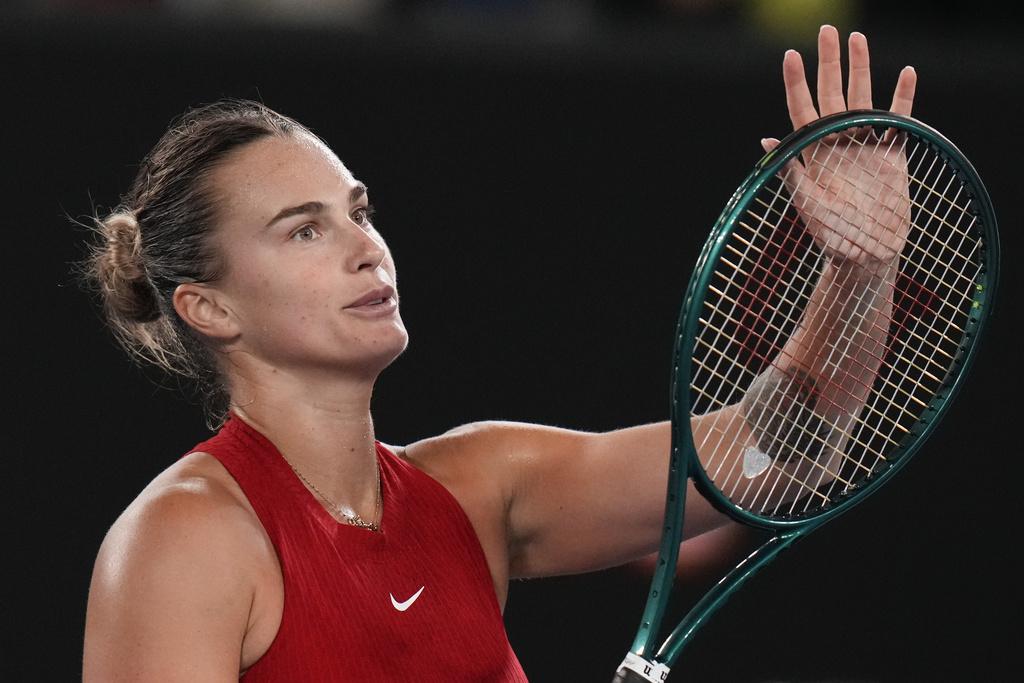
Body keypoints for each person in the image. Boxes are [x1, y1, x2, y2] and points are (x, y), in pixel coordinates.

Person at [81, 25, 916, 681]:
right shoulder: (185, 540)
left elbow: (788, 449)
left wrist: (860, 268)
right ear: (209, 306)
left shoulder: (477, 488)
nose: (366, 249)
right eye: (304, 230)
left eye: (359, 213)